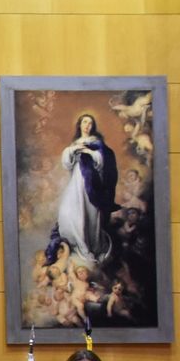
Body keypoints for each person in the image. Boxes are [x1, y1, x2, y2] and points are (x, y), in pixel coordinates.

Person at [46, 113, 118, 267]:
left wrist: (90, 153)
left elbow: (102, 161)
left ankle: (89, 248)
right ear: (79, 124)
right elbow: (67, 164)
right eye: (85, 122)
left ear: (93, 126)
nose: (87, 125)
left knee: (90, 215)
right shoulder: (75, 143)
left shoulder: (96, 142)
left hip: (91, 184)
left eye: (90, 123)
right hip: (76, 182)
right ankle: (78, 246)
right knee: (68, 213)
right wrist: (73, 150)